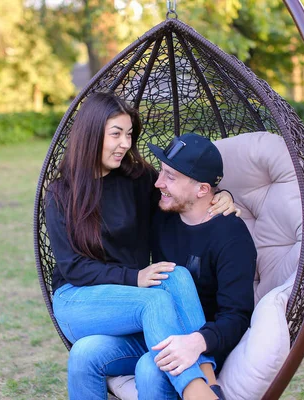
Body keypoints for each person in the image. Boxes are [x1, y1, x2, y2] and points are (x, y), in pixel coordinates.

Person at [44, 92, 238, 400]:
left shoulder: (137, 178)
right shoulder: (60, 193)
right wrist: (133, 278)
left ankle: (207, 378)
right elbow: (73, 267)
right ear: (92, 133)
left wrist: (218, 194)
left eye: (129, 134)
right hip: (77, 300)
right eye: (116, 134)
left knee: (86, 353)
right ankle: (196, 391)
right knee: (155, 301)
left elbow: (178, 191)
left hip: (130, 303)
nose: (125, 143)